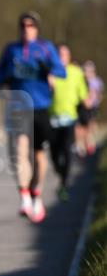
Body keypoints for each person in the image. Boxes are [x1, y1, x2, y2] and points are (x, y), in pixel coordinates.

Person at [0, 10, 65, 223]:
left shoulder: (45, 48)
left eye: (31, 25)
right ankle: (24, 197)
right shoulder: (10, 49)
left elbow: (62, 71)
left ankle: (36, 194)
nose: (27, 28)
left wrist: (50, 73)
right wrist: (2, 87)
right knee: (19, 151)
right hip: (18, 107)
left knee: (39, 158)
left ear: (37, 28)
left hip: (41, 107)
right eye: (23, 25)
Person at [48, 45, 89, 200]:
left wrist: (87, 103)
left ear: (69, 56)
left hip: (69, 118)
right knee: (54, 154)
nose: (62, 57)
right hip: (52, 117)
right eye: (59, 54)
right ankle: (60, 171)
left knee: (66, 151)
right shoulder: (50, 72)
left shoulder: (76, 72)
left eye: (65, 54)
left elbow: (82, 93)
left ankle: (64, 184)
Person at [76, 60, 104, 156]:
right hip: (83, 106)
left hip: (92, 107)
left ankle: (89, 144)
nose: (87, 72)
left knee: (89, 126)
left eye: (89, 70)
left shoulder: (97, 81)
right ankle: (82, 146)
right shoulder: (82, 80)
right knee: (80, 126)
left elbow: (99, 94)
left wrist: (95, 101)